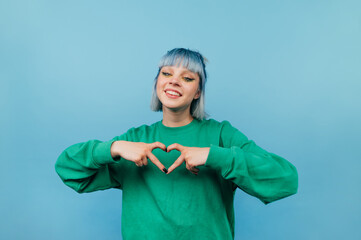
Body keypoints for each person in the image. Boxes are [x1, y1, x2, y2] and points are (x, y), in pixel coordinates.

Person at [55, 48, 298, 239]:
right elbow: (68, 169)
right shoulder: (135, 140)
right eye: (167, 73)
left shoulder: (222, 135)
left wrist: (213, 156)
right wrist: (113, 148)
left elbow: (285, 180)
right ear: (157, 82)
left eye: (187, 77)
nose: (174, 81)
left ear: (198, 92)